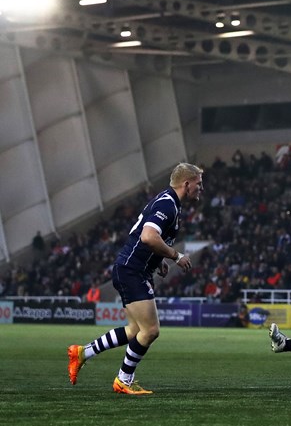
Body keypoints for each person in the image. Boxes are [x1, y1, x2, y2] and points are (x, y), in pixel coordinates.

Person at [67, 162, 202, 395]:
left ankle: (82, 353)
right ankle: (123, 380)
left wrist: (158, 259)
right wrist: (174, 255)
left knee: (134, 331)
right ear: (186, 184)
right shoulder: (168, 205)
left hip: (132, 268)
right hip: (132, 270)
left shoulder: (167, 201)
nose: (201, 188)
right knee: (150, 331)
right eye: (199, 184)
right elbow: (148, 236)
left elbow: (141, 234)